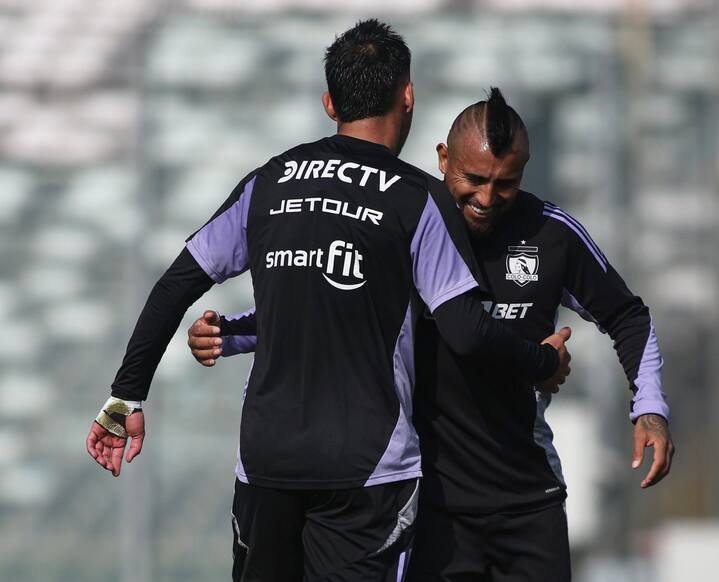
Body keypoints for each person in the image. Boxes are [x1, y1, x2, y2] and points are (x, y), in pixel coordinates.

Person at [85, 22, 571, 582]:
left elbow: (176, 285)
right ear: (408, 97)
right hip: (367, 470)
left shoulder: (269, 182)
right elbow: (463, 328)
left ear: (330, 104)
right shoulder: (418, 197)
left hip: (268, 462)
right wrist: (541, 361)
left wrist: (126, 396)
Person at [188, 88, 674, 582]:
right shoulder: (406, 219)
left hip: (529, 500)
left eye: (505, 183)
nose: (486, 198)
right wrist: (230, 334)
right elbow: (323, 307)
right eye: (474, 179)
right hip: (432, 510)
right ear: (444, 159)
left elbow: (628, 316)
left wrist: (650, 408)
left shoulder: (553, 234)